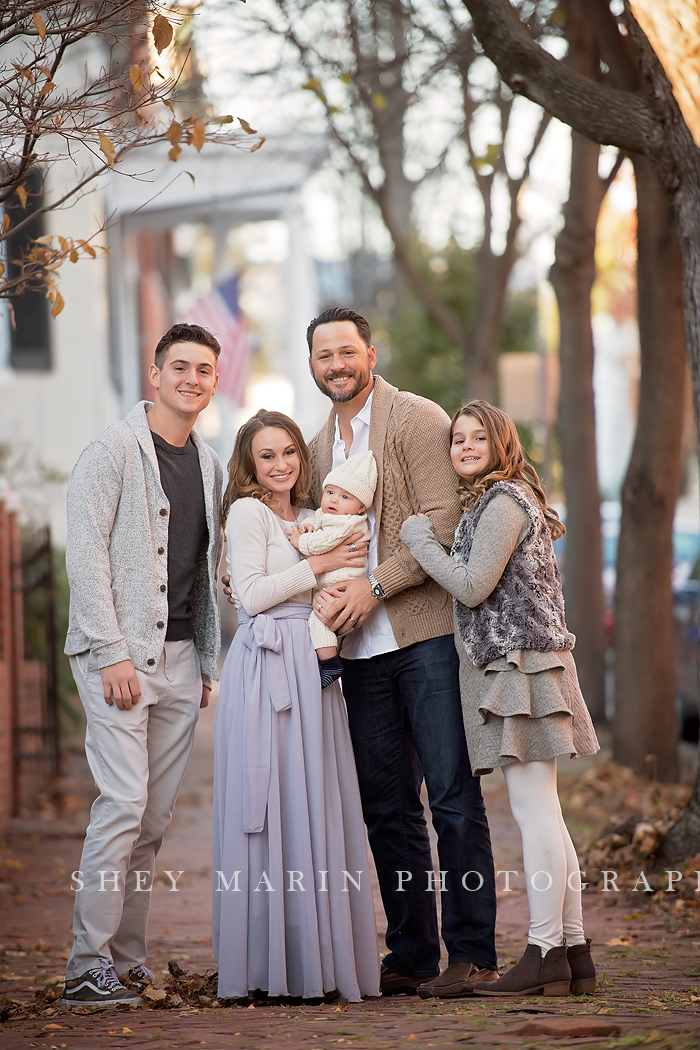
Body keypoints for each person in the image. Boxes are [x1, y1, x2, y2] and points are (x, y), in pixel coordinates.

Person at [306, 307, 499, 999]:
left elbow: (446, 523)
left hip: (424, 638)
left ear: (370, 353)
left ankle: (473, 952)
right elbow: (311, 534)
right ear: (313, 365)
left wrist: (376, 585)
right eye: (324, 354)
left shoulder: (416, 418)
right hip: (359, 655)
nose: (337, 364)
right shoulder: (314, 446)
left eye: (347, 351)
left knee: (451, 795)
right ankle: (413, 953)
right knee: (385, 806)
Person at [401, 400, 600, 997]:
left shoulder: (504, 502)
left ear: (501, 444)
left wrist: (419, 542)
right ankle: (571, 950)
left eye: (476, 438)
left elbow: (472, 584)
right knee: (547, 813)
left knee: (534, 812)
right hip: (525, 665)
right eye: (456, 439)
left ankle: (543, 949)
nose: (463, 446)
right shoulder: (498, 502)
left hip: (523, 667)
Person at [61, 323, 224, 1010]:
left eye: (205, 369)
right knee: (122, 804)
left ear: (215, 382)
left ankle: (125, 961)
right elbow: (85, 555)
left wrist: (209, 662)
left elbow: (207, 571)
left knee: (151, 820)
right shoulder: (112, 452)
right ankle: (83, 965)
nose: (192, 378)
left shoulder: (211, 463)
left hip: (183, 661)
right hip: (120, 660)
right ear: (154, 374)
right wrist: (112, 652)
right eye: (180, 366)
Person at [213, 409, 380, 1002]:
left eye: (289, 452)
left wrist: (329, 560)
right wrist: (316, 568)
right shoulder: (247, 513)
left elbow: (351, 556)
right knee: (269, 802)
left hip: (313, 671)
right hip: (264, 668)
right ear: (249, 465)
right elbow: (252, 596)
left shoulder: (312, 519)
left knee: (315, 804)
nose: (281, 464)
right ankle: (266, 965)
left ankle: (319, 962)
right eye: (267, 455)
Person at [288, 450, 377, 687]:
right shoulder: (331, 515)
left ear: (361, 508)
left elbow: (323, 544)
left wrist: (301, 541)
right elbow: (316, 520)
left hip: (341, 588)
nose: (334, 500)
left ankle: (330, 665)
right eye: (330, 492)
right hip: (329, 585)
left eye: (344, 497)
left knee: (319, 620)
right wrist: (307, 526)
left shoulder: (349, 523)